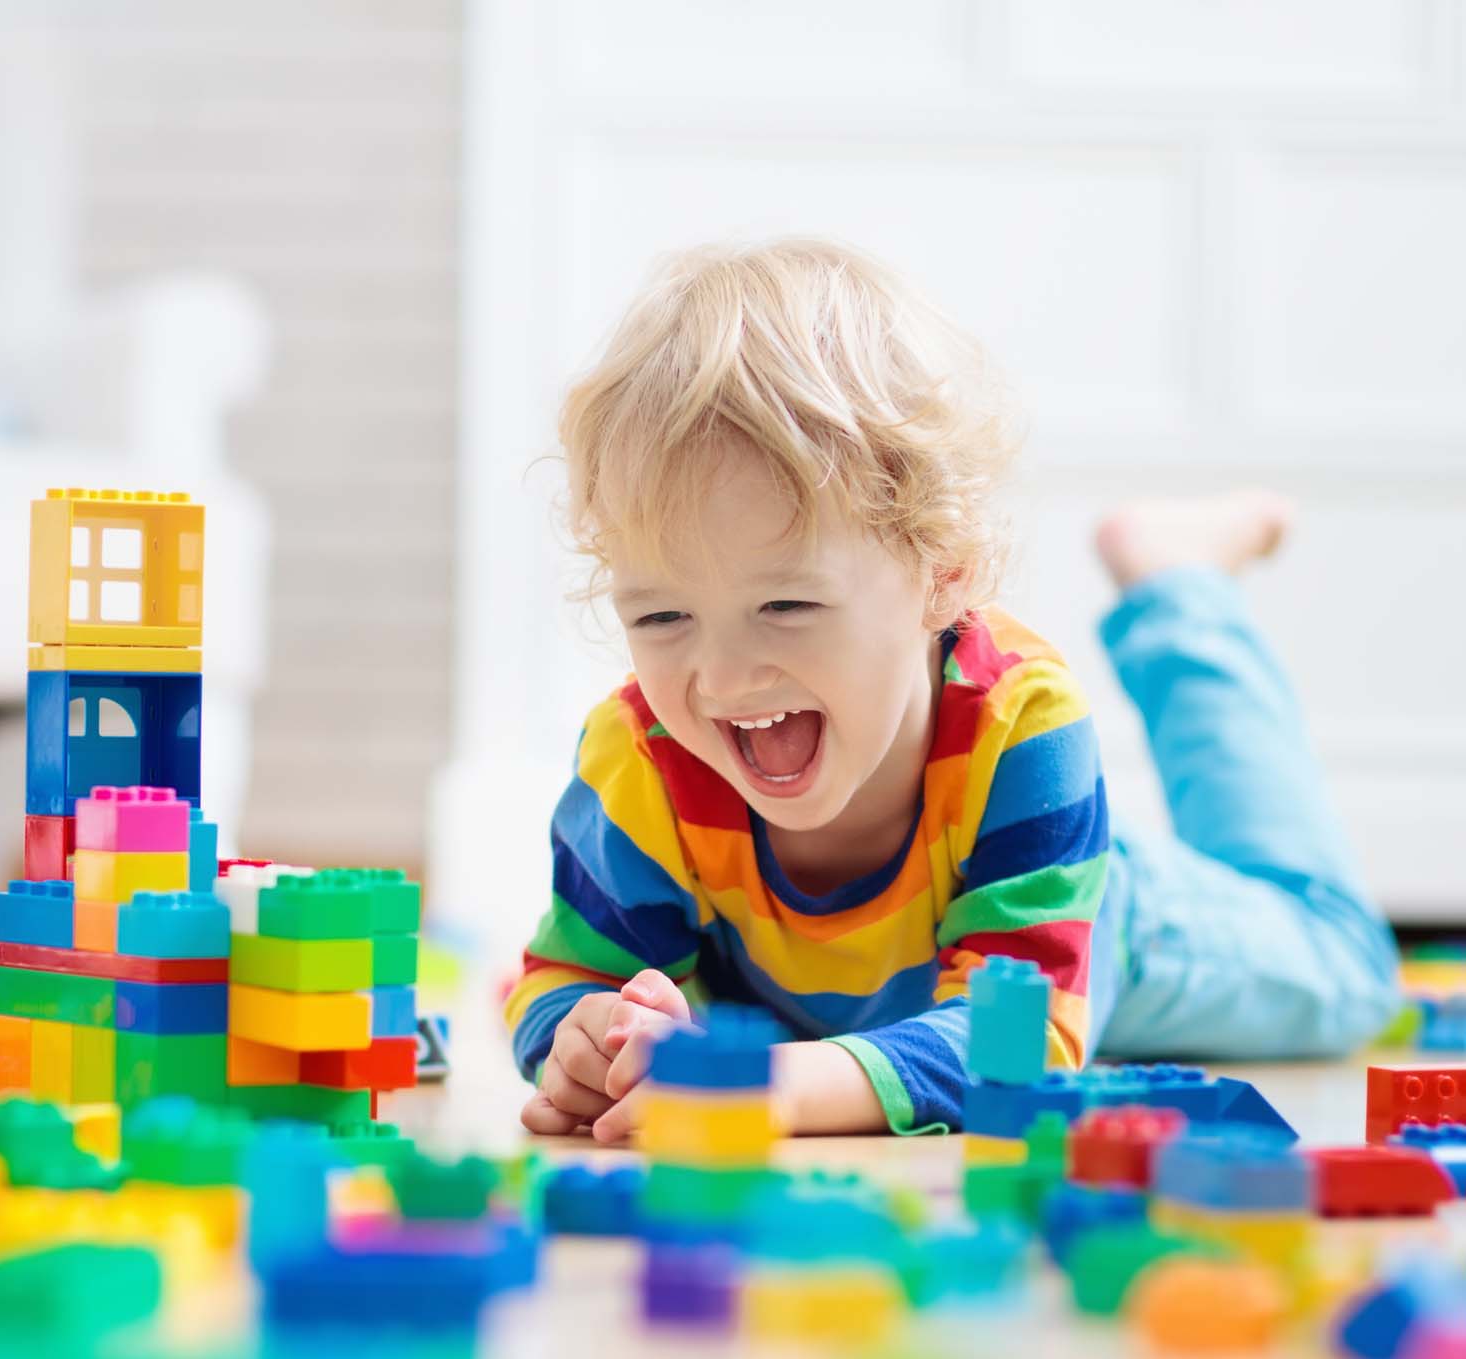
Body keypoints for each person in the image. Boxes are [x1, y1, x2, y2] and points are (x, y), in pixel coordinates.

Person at [504, 238, 1399, 1141]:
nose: (722, 677)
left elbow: (1020, 1038)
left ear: (944, 572)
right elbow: (564, 981)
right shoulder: (640, 762)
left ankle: (1179, 592)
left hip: (1104, 919)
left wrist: (774, 1088)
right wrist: (586, 1040)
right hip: (884, 1010)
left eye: (786, 603)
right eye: (662, 619)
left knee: (1343, 966)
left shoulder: (1023, 728)